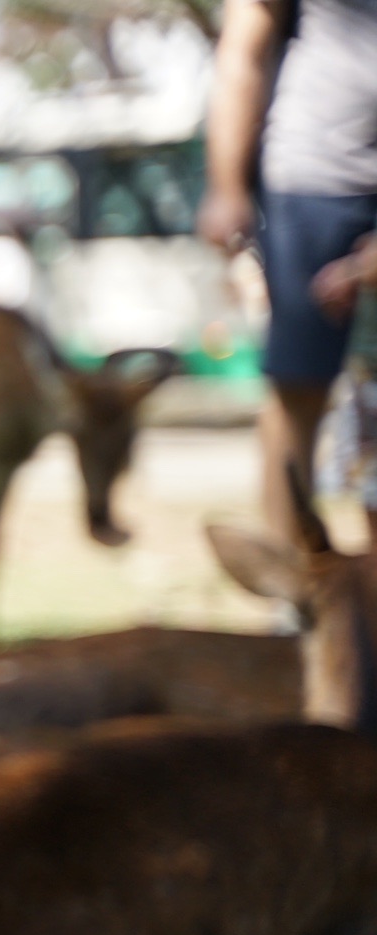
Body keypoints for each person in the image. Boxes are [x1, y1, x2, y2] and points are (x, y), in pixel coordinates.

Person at [199, 0, 377, 542]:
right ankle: (293, 572)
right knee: (299, 384)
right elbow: (242, 50)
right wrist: (226, 187)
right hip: (317, 182)